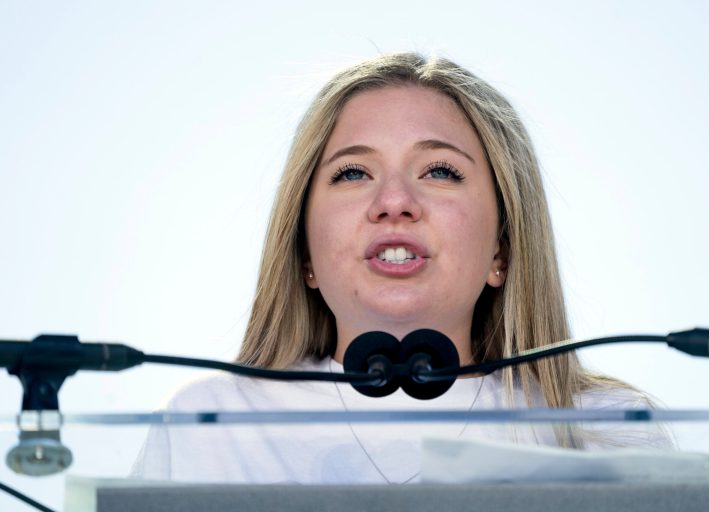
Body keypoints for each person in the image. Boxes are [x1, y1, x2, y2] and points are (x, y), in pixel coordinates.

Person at [131, 52, 670, 484]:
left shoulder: (605, 427)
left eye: (439, 170)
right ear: (304, 256)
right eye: (352, 173)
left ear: (502, 251)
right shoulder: (208, 424)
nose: (393, 201)